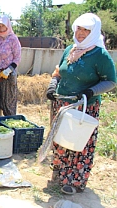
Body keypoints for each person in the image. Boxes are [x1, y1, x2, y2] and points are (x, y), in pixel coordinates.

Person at [46, 13, 116, 195]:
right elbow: (58, 71)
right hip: (62, 105)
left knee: (79, 143)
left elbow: (111, 81)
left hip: (84, 106)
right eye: (79, 28)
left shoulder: (100, 54)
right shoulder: (70, 49)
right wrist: (53, 85)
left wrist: (91, 91)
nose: (82, 33)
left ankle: (75, 180)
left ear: (94, 32)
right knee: (61, 139)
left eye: (87, 30)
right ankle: (61, 171)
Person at [0, 15, 21, 117]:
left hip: (7, 74)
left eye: (2, 26)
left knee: (8, 102)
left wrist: (8, 70)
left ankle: (9, 122)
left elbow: (17, 58)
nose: (0, 29)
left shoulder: (13, 39)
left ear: (7, 26)